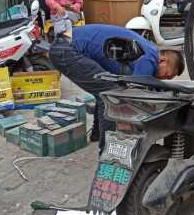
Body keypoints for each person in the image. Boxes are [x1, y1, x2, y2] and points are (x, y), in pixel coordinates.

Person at [49, 23, 184, 155]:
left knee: (105, 87)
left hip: (64, 45)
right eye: (167, 75)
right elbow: (136, 94)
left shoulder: (143, 51)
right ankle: (106, 152)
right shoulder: (150, 57)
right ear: (163, 60)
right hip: (67, 50)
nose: (163, 78)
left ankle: (96, 135)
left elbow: (129, 82)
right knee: (110, 95)